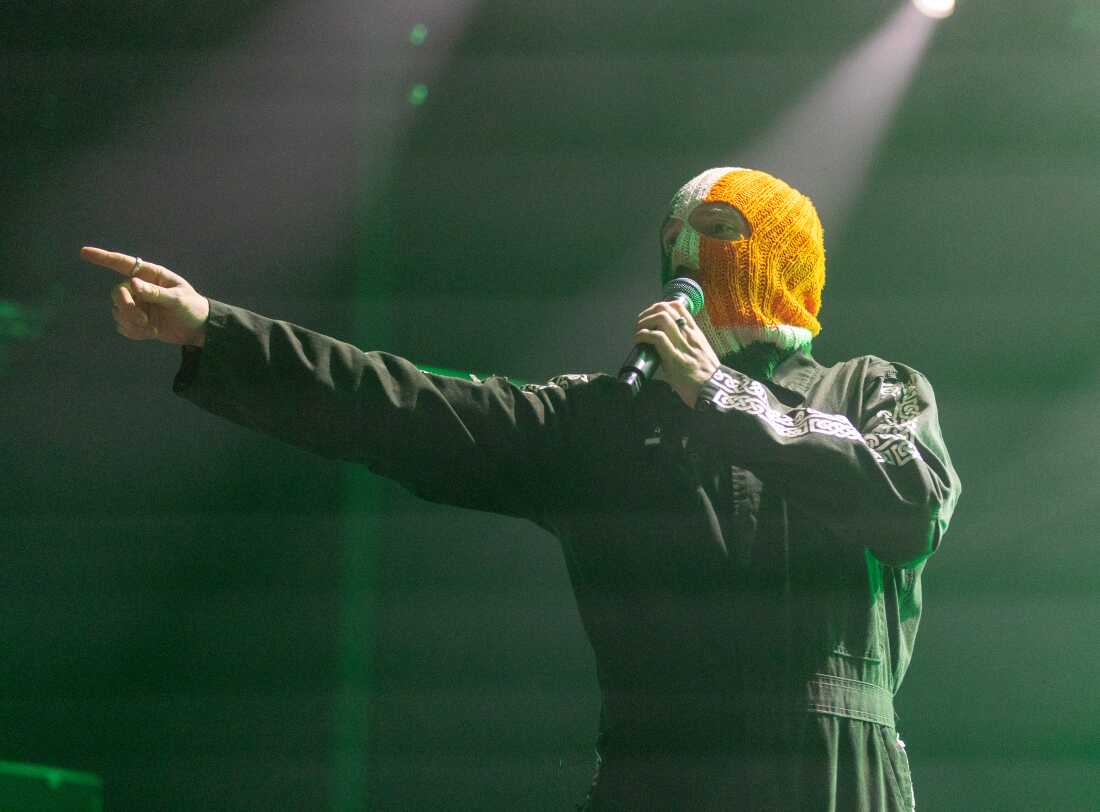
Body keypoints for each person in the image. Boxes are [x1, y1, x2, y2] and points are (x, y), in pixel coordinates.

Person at [82, 166, 960, 811]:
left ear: (780, 254)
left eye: (718, 230)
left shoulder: (870, 389)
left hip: (834, 774)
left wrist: (720, 394)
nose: (687, 257)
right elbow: (404, 406)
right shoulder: (606, 421)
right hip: (660, 775)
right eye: (672, 241)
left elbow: (909, 506)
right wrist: (216, 332)